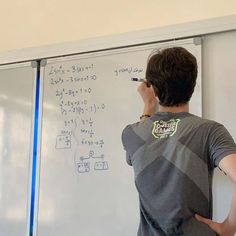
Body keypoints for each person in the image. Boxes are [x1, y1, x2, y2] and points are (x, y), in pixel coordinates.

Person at [121, 47, 236, 236]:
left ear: (152, 87)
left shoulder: (132, 134)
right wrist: (228, 228)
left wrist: (148, 105)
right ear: (192, 83)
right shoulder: (209, 131)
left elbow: (141, 144)